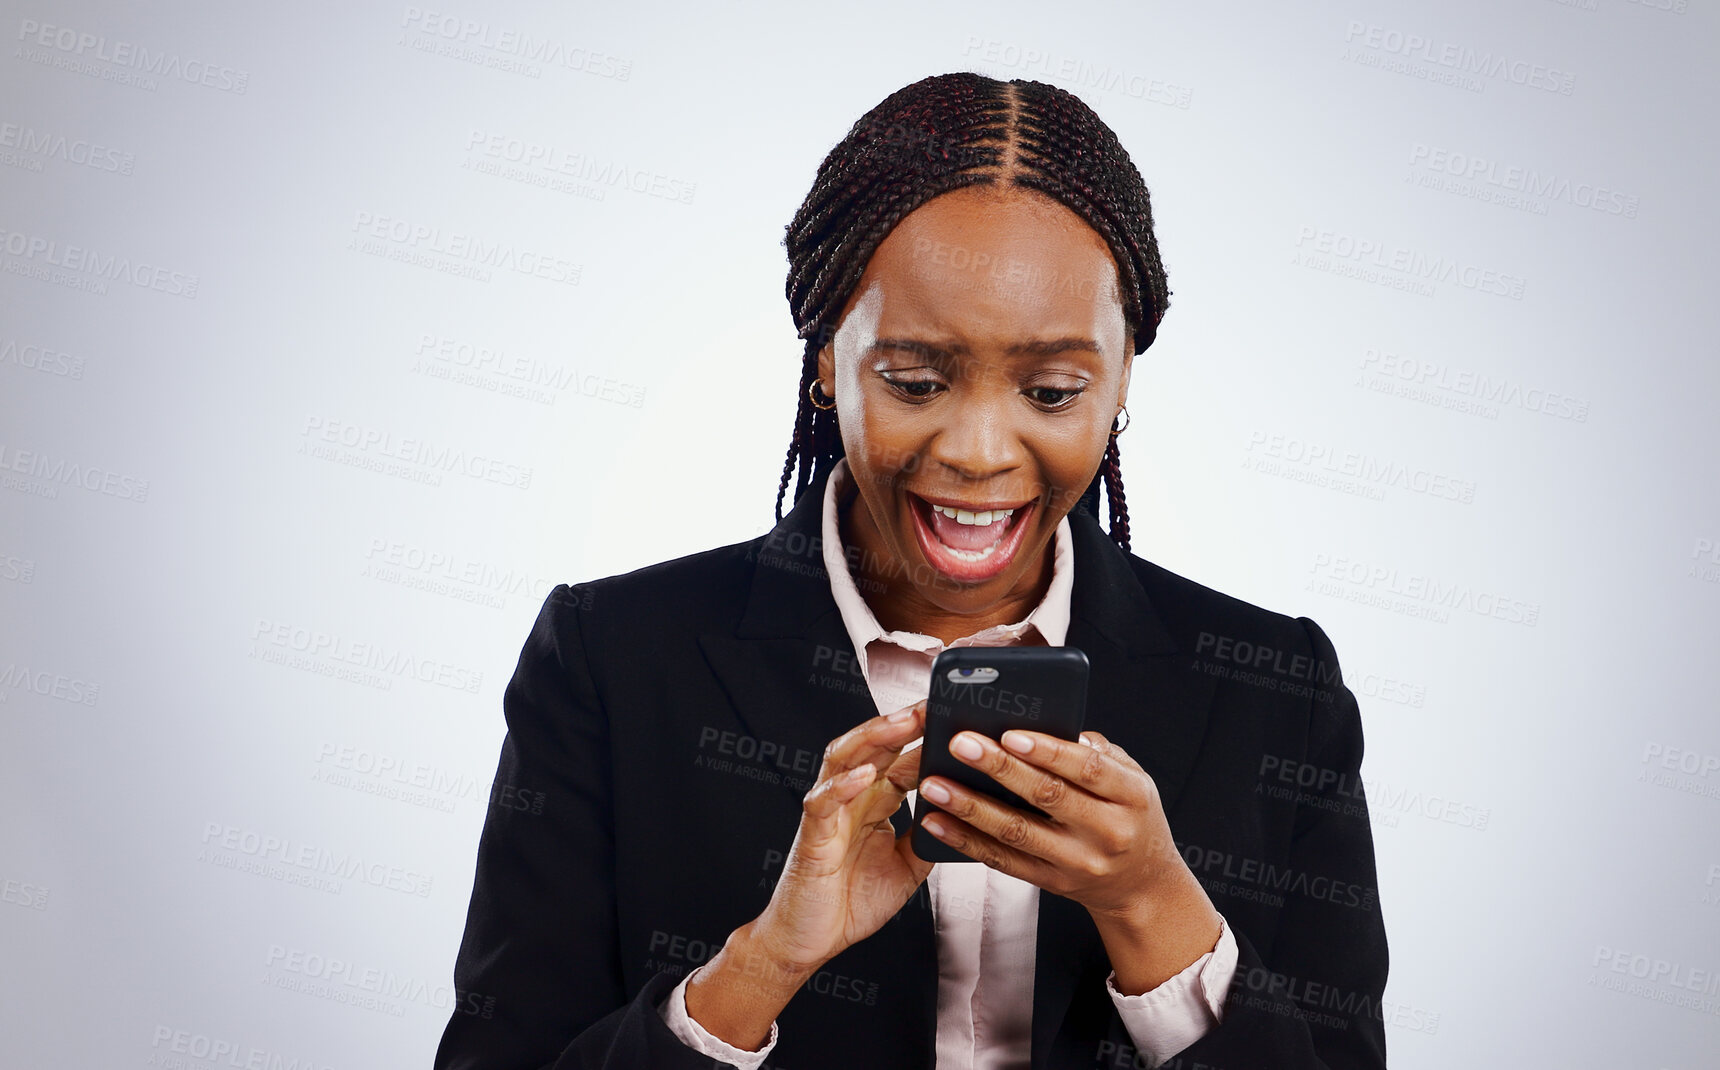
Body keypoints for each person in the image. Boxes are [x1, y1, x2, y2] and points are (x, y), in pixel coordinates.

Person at [434, 71, 1388, 1070]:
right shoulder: (611, 657)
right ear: (824, 361)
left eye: (1052, 388)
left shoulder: (1275, 689)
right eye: (914, 381)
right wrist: (757, 968)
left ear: (1119, 380)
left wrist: (1150, 905)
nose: (978, 448)